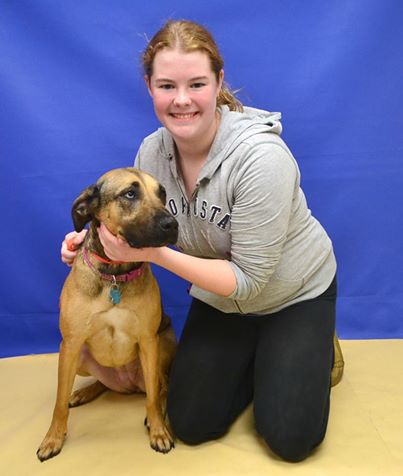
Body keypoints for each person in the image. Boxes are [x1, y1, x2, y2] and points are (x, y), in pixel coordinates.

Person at [62, 19, 343, 462]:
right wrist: (88, 240)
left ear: (218, 83)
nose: (181, 99)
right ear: (150, 88)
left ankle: (309, 346)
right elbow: (127, 220)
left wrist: (154, 254)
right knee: (190, 423)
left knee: (290, 438)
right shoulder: (151, 155)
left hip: (293, 294)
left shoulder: (260, 159)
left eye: (196, 83)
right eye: (167, 85)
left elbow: (249, 280)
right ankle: (259, 357)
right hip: (222, 298)